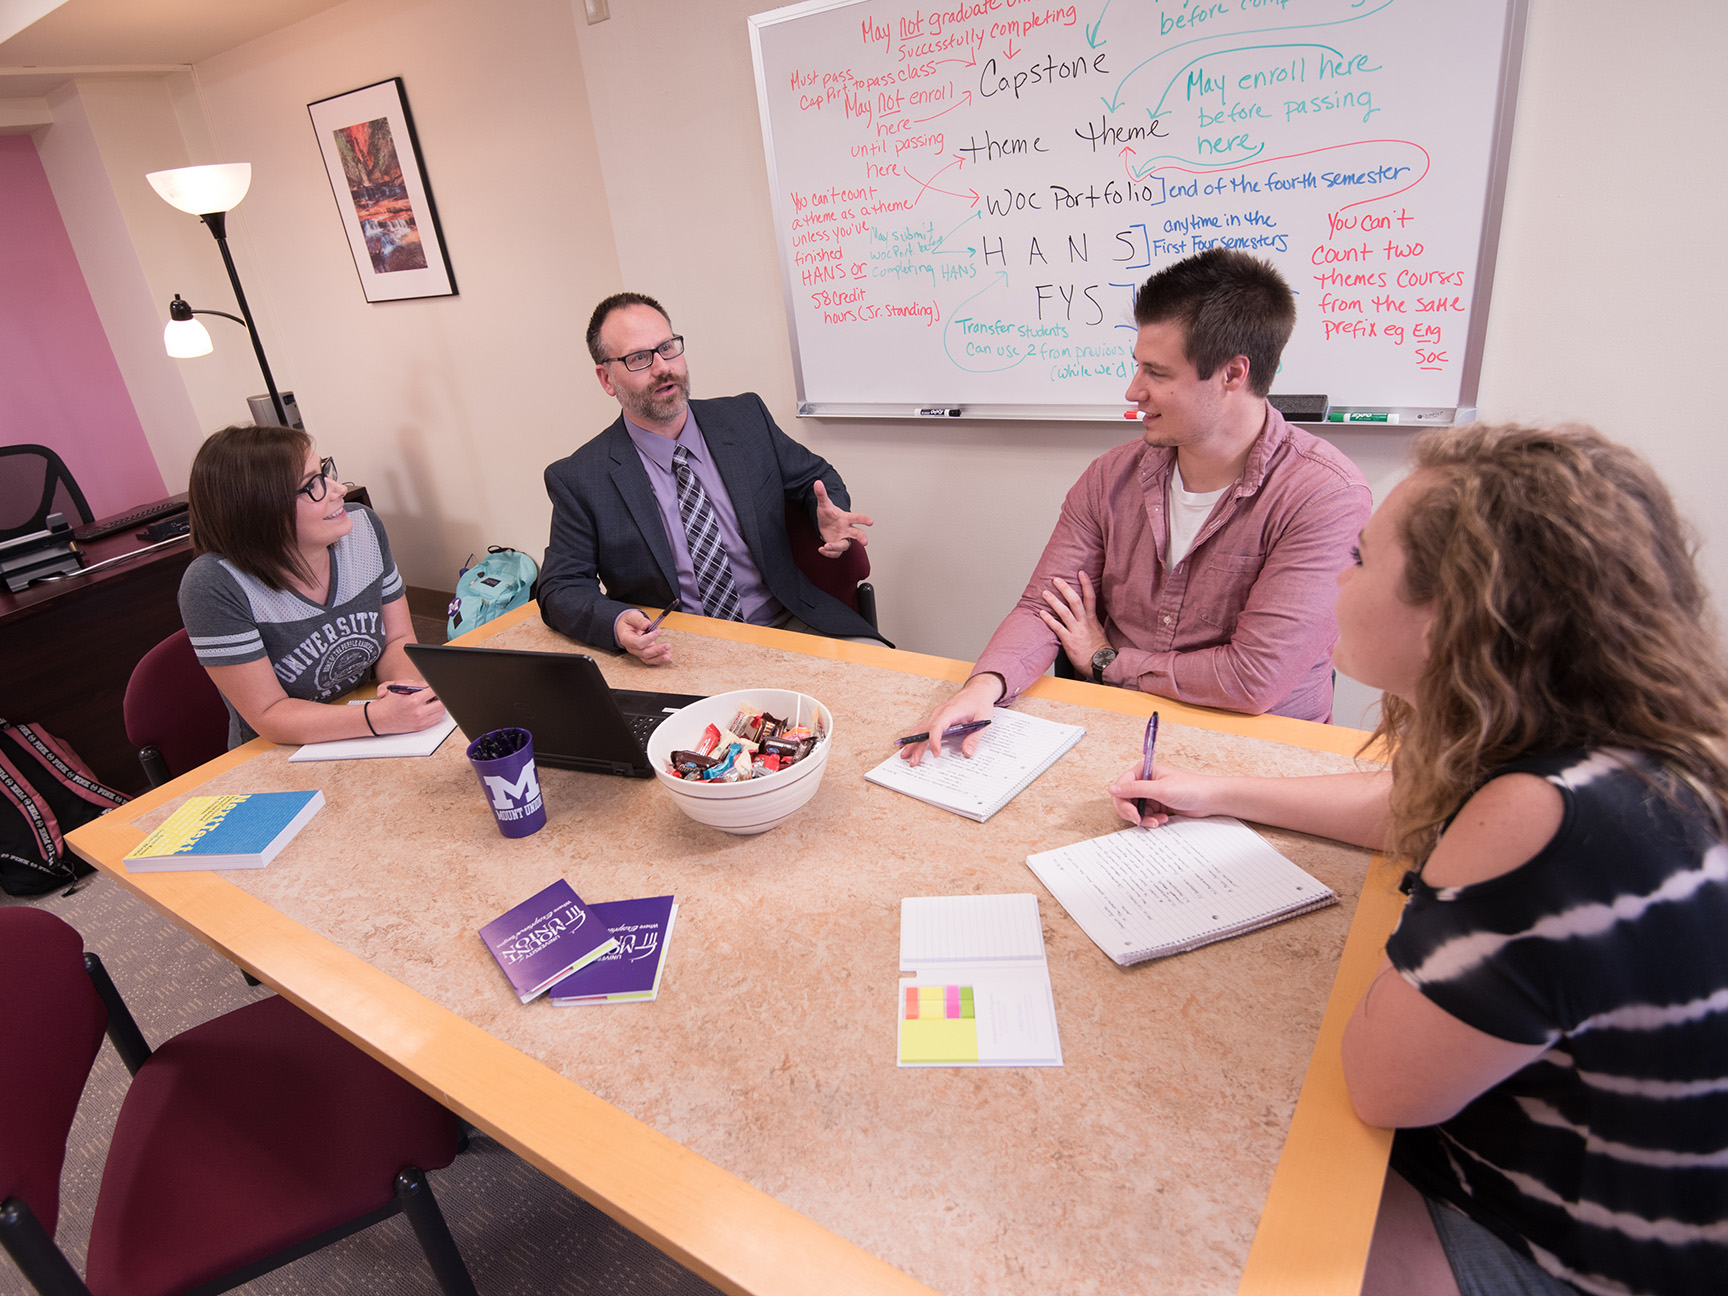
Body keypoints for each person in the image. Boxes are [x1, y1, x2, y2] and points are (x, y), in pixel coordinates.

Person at [1108, 424, 1728, 1296]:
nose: (1337, 578)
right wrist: (1218, 791)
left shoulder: (1544, 818)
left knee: (1192, 1185)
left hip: (1560, 1252)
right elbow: (1402, 808)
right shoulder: (1607, 738)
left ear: (1452, 615)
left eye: (1359, 559)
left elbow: (1382, 1086)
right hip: (1589, 1178)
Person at [903, 248, 1370, 766]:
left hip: (1257, 754)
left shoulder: (1325, 496)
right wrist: (984, 688)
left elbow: (1250, 679)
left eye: (1158, 372)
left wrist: (1106, 659)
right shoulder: (1111, 477)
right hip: (1115, 732)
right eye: (1136, 367)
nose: (1133, 390)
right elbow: (1045, 606)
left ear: (1233, 374)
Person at [538, 292, 887, 663]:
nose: (662, 368)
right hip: (679, 651)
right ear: (607, 379)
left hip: (789, 626)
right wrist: (617, 620)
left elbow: (814, 478)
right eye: (639, 358)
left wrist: (825, 514)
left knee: (888, 683)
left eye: (667, 348)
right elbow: (561, 585)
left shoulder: (744, 419)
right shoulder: (581, 477)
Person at [178, 425, 445, 748]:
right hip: (280, 752)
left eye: (325, 472)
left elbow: (398, 639)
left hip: (368, 722)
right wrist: (379, 718)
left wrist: (405, 688)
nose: (338, 490)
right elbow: (268, 713)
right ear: (260, 507)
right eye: (312, 485)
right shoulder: (213, 584)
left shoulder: (361, 528)